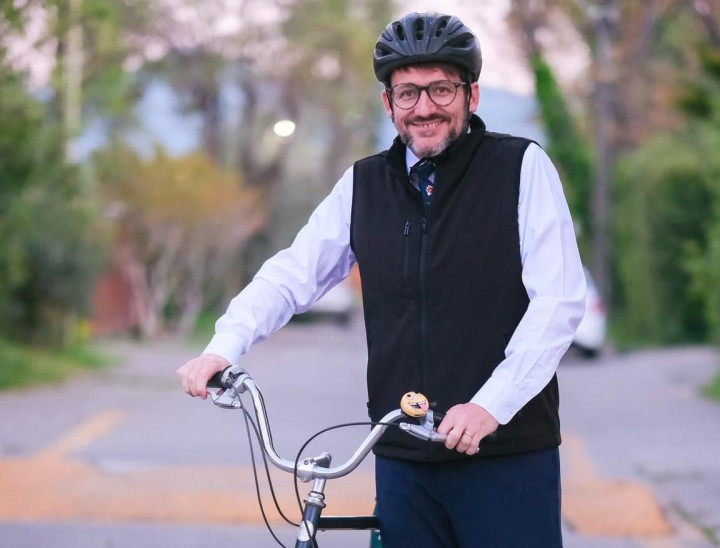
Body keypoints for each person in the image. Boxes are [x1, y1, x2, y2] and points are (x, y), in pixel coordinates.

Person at [178, 11, 585, 548]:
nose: (424, 108)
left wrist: (491, 405)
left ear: (472, 95)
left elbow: (558, 301)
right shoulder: (365, 183)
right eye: (408, 93)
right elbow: (292, 274)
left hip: (506, 455)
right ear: (388, 104)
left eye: (441, 89)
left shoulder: (520, 168)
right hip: (403, 459)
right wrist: (224, 347)